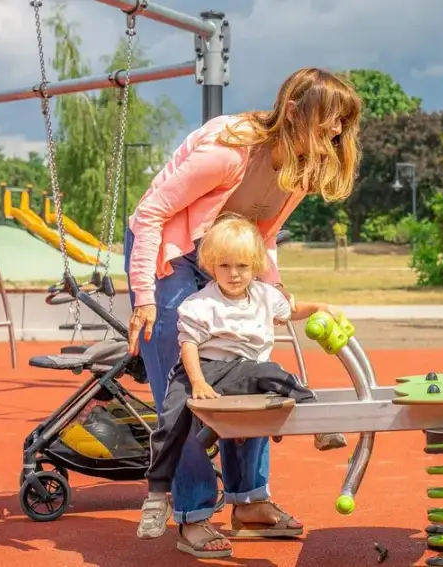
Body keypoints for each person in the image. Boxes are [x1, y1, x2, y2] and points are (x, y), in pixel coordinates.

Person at [122, 67, 362, 558]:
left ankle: (249, 501)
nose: (337, 131)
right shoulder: (231, 150)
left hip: (232, 255)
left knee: (251, 369)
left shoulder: (299, 169)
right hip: (171, 250)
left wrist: (275, 295)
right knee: (186, 388)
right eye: (329, 119)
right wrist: (145, 295)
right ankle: (192, 514)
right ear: (294, 110)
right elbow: (149, 214)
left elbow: (263, 237)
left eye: (343, 123)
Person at [144, 214, 346, 558]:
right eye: (224, 265)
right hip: (202, 368)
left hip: (243, 371)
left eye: (241, 265)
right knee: (172, 416)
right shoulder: (199, 303)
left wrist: (323, 307)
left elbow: (293, 309)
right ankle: (157, 494)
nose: (234, 274)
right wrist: (198, 382)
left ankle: (320, 425)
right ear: (210, 265)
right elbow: (189, 347)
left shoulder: (266, 296)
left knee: (278, 375)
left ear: (255, 265)